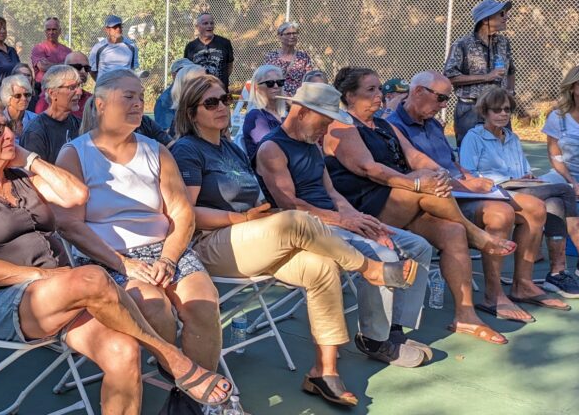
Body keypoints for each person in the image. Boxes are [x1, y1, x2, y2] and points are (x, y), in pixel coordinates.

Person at [0, 96, 233, 412]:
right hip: (1, 301)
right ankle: (175, 361)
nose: (9, 134)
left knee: (123, 351)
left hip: (64, 294)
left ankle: (170, 363)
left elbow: (76, 194)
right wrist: (45, 275)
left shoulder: (22, 179)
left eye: (8, 126)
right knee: (93, 276)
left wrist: (29, 158)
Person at [170, 74, 424, 405]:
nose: (221, 107)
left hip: (253, 236)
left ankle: (324, 372)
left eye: (225, 100)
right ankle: (369, 269)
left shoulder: (229, 147)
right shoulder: (188, 150)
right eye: (211, 103)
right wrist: (242, 218)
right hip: (213, 241)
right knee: (294, 219)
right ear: (191, 112)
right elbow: (187, 213)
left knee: (320, 267)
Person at [52, 69, 228, 410]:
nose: (138, 104)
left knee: (204, 303)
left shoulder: (157, 151)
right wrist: (125, 265)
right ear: (100, 105)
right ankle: (187, 377)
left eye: (140, 98)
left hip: (165, 249)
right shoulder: (75, 154)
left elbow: (182, 213)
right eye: (128, 97)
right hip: (108, 254)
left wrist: (169, 259)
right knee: (155, 307)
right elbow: (69, 225)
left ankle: (187, 403)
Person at [323, 68, 516, 345]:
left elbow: (417, 157)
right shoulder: (340, 126)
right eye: (371, 90)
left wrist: (439, 175)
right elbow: (369, 169)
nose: (380, 95)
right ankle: (476, 232)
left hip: (402, 199)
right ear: (349, 95)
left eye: (379, 89)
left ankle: (465, 315)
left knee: (451, 232)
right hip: (366, 207)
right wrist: (415, 184)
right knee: (424, 183)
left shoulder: (384, 125)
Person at [255, 82, 434, 374]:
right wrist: (345, 222)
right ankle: (375, 341)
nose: (326, 130)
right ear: (301, 113)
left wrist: (361, 221)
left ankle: (394, 327)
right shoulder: (272, 149)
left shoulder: (310, 144)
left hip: (336, 221)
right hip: (309, 228)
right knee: (383, 256)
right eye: (324, 121)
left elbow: (333, 193)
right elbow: (290, 205)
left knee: (418, 246)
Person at [388, 71, 565, 321]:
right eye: (441, 98)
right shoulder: (393, 126)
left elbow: (451, 162)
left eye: (445, 99)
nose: (443, 106)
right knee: (501, 213)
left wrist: (470, 177)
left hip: (462, 189)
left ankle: (522, 284)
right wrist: (468, 187)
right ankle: (494, 296)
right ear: (418, 92)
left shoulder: (433, 124)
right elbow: (415, 175)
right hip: (439, 198)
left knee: (535, 207)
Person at [460, 87, 579, 298]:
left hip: (519, 189)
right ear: (485, 112)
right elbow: (469, 175)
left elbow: (524, 170)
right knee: (565, 189)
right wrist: (508, 181)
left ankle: (557, 272)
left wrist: (527, 177)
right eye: (496, 110)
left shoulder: (512, 138)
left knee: (555, 202)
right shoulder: (474, 137)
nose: (503, 114)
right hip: (492, 193)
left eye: (507, 110)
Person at [443, 0, 515, 146]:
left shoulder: (504, 42)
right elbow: (450, 76)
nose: (506, 17)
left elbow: (511, 70)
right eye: (501, 14)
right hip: (471, 109)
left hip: (498, 107)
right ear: (486, 19)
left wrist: (510, 91)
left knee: (504, 147)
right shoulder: (462, 44)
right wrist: (487, 77)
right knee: (469, 151)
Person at [542, 65, 579, 280]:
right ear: (572, 87)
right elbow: (555, 157)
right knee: (548, 192)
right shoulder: (557, 117)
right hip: (565, 175)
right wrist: (573, 183)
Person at [20, 64, 82, 164]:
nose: (79, 92)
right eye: (72, 87)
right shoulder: (35, 132)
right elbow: (35, 175)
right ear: (52, 93)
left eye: (79, 86)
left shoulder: (80, 125)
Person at [241, 64, 287, 160]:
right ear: (257, 87)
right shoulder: (255, 116)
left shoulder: (284, 114)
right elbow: (272, 149)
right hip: (269, 170)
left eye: (280, 82)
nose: (276, 86)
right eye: (270, 83)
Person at [183, 13, 234, 88]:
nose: (209, 26)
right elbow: (188, 70)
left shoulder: (225, 43)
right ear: (197, 27)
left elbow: (229, 67)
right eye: (205, 23)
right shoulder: (190, 47)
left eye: (211, 23)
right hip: (198, 92)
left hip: (220, 92)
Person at [262, 21, 311, 97]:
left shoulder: (303, 57)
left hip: (297, 99)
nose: (292, 36)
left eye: (294, 33)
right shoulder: (271, 57)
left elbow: (309, 80)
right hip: (276, 97)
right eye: (288, 34)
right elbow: (265, 78)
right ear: (280, 36)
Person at [154, 59, 193, 132]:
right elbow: (164, 134)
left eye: (191, 71)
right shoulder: (165, 101)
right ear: (174, 75)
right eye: (185, 72)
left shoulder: (194, 93)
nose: (190, 75)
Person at [30, 17, 71, 86]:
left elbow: (71, 68)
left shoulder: (67, 51)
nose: (51, 32)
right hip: (42, 87)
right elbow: (43, 67)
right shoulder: (38, 48)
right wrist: (65, 65)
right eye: (48, 30)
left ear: (60, 31)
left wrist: (50, 65)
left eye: (54, 29)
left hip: (63, 87)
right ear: (45, 32)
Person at [0, 74, 37, 138]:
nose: (24, 99)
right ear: (7, 97)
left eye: (27, 94)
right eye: (17, 96)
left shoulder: (36, 120)